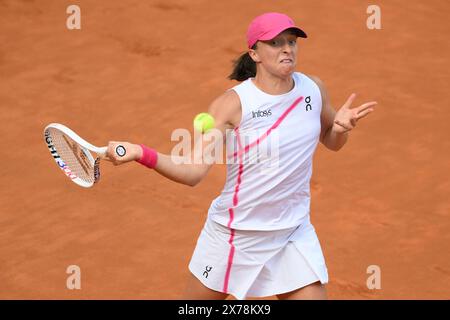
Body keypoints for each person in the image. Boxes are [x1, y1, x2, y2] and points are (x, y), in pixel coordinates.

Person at [103, 12, 377, 300]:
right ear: (254, 53)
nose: (287, 49)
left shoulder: (314, 89)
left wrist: (341, 128)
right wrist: (140, 153)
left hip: (290, 233)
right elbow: (192, 172)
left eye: (292, 42)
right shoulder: (231, 104)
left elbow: (332, 141)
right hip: (234, 235)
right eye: (275, 43)